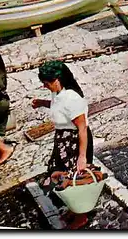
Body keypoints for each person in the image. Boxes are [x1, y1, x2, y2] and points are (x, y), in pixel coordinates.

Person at [32, 60, 94, 229]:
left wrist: (82, 157)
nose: (45, 86)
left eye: (47, 83)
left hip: (74, 141)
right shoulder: (58, 93)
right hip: (63, 140)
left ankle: (81, 216)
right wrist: (42, 103)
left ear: (57, 80)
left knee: (75, 177)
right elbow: (57, 104)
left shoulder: (72, 98)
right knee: (63, 177)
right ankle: (74, 209)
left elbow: (82, 128)